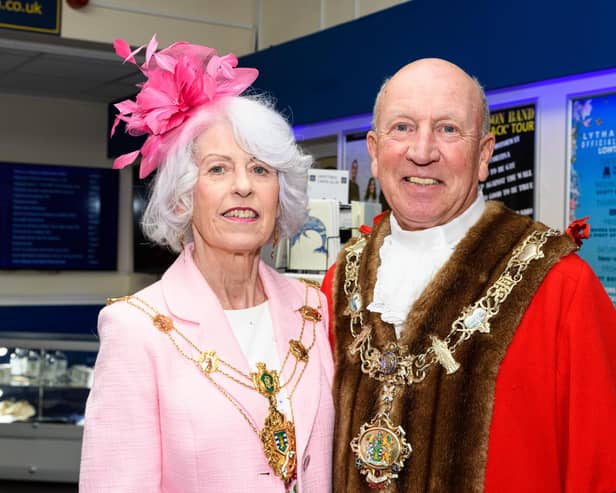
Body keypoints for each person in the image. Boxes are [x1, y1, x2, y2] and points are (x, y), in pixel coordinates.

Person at [321, 58, 616, 492]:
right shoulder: (339, 280)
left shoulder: (560, 286)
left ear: (483, 155)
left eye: (448, 129)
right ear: (373, 150)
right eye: (402, 127)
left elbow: (601, 467)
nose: (422, 152)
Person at [80, 35, 334, 493]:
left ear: (282, 194)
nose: (243, 186)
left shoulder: (315, 310)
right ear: (183, 195)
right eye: (218, 169)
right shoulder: (136, 329)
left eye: (261, 169)